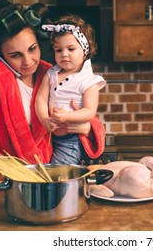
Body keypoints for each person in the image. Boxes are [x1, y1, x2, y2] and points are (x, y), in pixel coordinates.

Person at [0, 0, 105, 170]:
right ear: (1, 55)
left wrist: (86, 128)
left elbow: (90, 116)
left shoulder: (48, 73)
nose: (28, 62)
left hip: (46, 170)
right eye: (16, 55)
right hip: (9, 175)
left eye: (32, 49)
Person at [36, 14, 106, 165]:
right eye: (58, 50)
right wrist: (44, 119)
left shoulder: (88, 81)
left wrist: (67, 116)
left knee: (59, 173)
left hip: (69, 140)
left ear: (85, 50)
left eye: (71, 49)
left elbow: (89, 111)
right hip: (49, 136)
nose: (64, 54)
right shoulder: (51, 74)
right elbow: (40, 99)